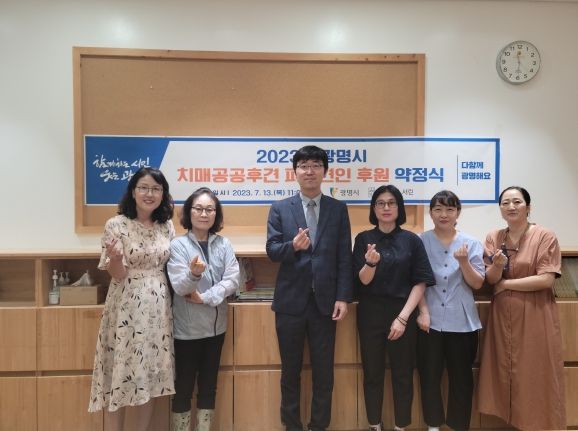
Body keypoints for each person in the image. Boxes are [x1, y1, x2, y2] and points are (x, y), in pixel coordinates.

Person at [266, 145, 353, 431]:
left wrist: (343, 297)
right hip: (290, 304)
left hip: (325, 305)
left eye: (316, 165)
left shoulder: (338, 209)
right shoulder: (280, 208)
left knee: (324, 374)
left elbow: (344, 256)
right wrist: (292, 246)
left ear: (325, 171)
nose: (310, 171)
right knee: (290, 373)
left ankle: (319, 426)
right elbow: (272, 250)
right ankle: (292, 426)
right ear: (295, 172)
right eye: (304, 165)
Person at [88, 167, 176, 431]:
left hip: (158, 309)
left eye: (156, 189)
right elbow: (117, 274)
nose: (150, 194)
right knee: (121, 373)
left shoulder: (167, 225)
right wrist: (115, 257)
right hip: (126, 307)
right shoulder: (116, 224)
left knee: (147, 376)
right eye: (144, 188)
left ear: (163, 194)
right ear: (133, 191)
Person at [477, 186, 566, 430]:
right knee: (505, 372)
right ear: (500, 209)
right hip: (502, 317)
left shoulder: (545, 236)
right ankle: (513, 423)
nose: (511, 207)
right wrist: (497, 267)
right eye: (505, 203)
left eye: (517, 201)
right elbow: (491, 279)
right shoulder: (494, 237)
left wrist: (507, 284)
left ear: (528, 207)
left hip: (535, 314)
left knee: (535, 372)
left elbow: (546, 279)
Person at [353, 184, 435, 431]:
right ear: (373, 208)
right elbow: (362, 281)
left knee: (403, 374)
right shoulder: (363, 239)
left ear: (399, 208)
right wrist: (370, 264)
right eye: (380, 203)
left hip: (403, 311)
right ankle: (374, 425)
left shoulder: (412, 240)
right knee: (372, 373)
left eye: (391, 203)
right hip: (370, 313)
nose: (386, 207)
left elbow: (420, 281)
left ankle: (401, 426)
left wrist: (403, 318)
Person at [167, 187, 240, 431]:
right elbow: (180, 286)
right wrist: (193, 274)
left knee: (209, 388)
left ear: (216, 214)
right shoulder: (178, 245)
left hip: (216, 330)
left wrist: (206, 297)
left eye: (210, 209)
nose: (204, 214)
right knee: (183, 388)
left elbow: (233, 279)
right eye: (198, 208)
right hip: (186, 331)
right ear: (189, 212)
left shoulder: (224, 244)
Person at [416, 190, 484, 431]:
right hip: (429, 320)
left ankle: (458, 425)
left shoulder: (472, 243)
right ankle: (433, 425)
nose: (443, 214)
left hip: (462, 321)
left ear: (458, 213)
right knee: (429, 376)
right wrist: (422, 311)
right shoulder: (420, 241)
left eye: (449, 209)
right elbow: (415, 281)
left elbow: (477, 283)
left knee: (462, 379)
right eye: (438, 209)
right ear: (431, 213)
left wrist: (464, 262)